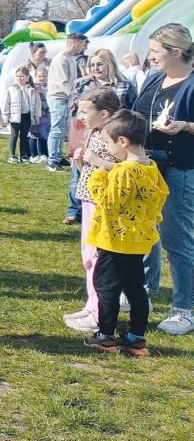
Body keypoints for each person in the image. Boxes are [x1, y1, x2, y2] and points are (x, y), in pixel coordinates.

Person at [81, 111, 167, 356]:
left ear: (122, 141)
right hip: (139, 241)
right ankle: (136, 338)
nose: (108, 149)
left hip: (114, 240)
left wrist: (98, 173)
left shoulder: (123, 171)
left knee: (106, 287)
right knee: (136, 289)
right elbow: (160, 196)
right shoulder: (151, 168)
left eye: (108, 142)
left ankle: (105, 336)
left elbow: (108, 203)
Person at [134, 23, 194, 335]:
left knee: (178, 242)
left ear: (176, 52)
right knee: (144, 234)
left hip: (181, 170)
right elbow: (136, 114)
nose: (150, 56)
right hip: (147, 168)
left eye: (156, 51)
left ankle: (185, 309)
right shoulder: (155, 78)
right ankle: (141, 293)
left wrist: (185, 126)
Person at [63, 88, 123, 332]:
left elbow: (125, 169)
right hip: (88, 199)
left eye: (85, 111)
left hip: (103, 203)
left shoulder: (114, 135)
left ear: (104, 113)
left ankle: (99, 312)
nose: (80, 116)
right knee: (88, 256)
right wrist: (80, 160)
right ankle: (91, 305)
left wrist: (98, 161)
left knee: (98, 257)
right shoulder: (94, 131)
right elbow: (88, 169)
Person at [67, 49, 139, 224]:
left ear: (110, 64)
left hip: (114, 134)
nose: (96, 68)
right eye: (92, 64)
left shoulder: (124, 85)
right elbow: (73, 108)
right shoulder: (82, 84)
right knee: (80, 170)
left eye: (100, 63)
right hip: (86, 132)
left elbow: (131, 109)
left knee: (109, 170)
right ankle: (76, 209)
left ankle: (107, 204)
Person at [46, 33, 88, 171]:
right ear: (76, 44)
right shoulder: (61, 59)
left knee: (62, 129)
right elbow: (63, 82)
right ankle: (52, 160)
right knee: (57, 129)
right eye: (82, 45)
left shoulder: (69, 58)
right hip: (58, 97)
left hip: (63, 98)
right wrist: (75, 98)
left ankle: (58, 156)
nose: (83, 48)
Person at [1, 66, 42, 164]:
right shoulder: (11, 89)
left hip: (26, 116)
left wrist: (37, 116)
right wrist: (5, 115)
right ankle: (12, 155)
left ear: (27, 77)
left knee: (24, 136)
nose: (20, 78)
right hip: (15, 116)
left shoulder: (32, 89)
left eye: (22, 76)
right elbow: (6, 102)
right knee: (14, 135)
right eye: (18, 76)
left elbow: (37, 103)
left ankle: (23, 155)